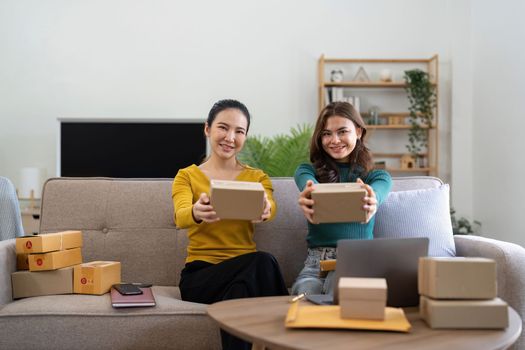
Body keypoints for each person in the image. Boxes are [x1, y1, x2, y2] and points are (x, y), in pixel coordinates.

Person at [172, 99, 288, 350]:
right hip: (201, 276)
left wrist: (266, 209)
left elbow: (270, 206)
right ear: (207, 129)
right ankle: (288, 336)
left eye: (239, 131)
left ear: (245, 136)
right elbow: (180, 215)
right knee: (264, 260)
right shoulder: (187, 176)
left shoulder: (257, 177)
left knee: (239, 294)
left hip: (246, 275)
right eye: (223, 128)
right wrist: (195, 211)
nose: (230, 137)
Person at [292, 101, 392, 296]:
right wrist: (310, 195)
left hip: (356, 260)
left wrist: (372, 200)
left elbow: (377, 192)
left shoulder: (377, 177)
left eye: (342, 132)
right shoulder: (307, 171)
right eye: (327, 134)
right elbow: (309, 186)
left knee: (334, 292)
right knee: (304, 293)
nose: (334, 140)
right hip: (316, 263)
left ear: (359, 132)